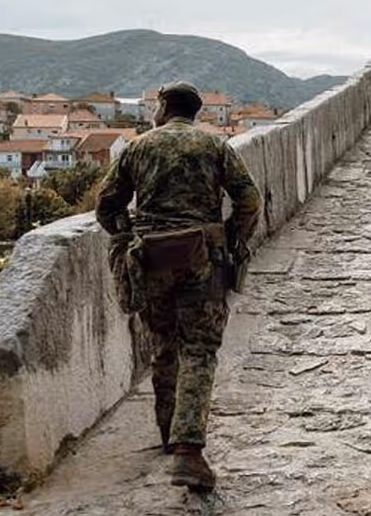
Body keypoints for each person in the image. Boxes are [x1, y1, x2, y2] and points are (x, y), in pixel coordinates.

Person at [96, 81, 261, 493]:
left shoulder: (136, 148)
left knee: (164, 346)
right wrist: (232, 239)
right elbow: (250, 201)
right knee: (200, 350)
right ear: (194, 112)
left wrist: (127, 237)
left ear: (164, 107)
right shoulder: (214, 147)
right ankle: (189, 451)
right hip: (201, 259)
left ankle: (169, 433)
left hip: (150, 261)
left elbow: (107, 206)